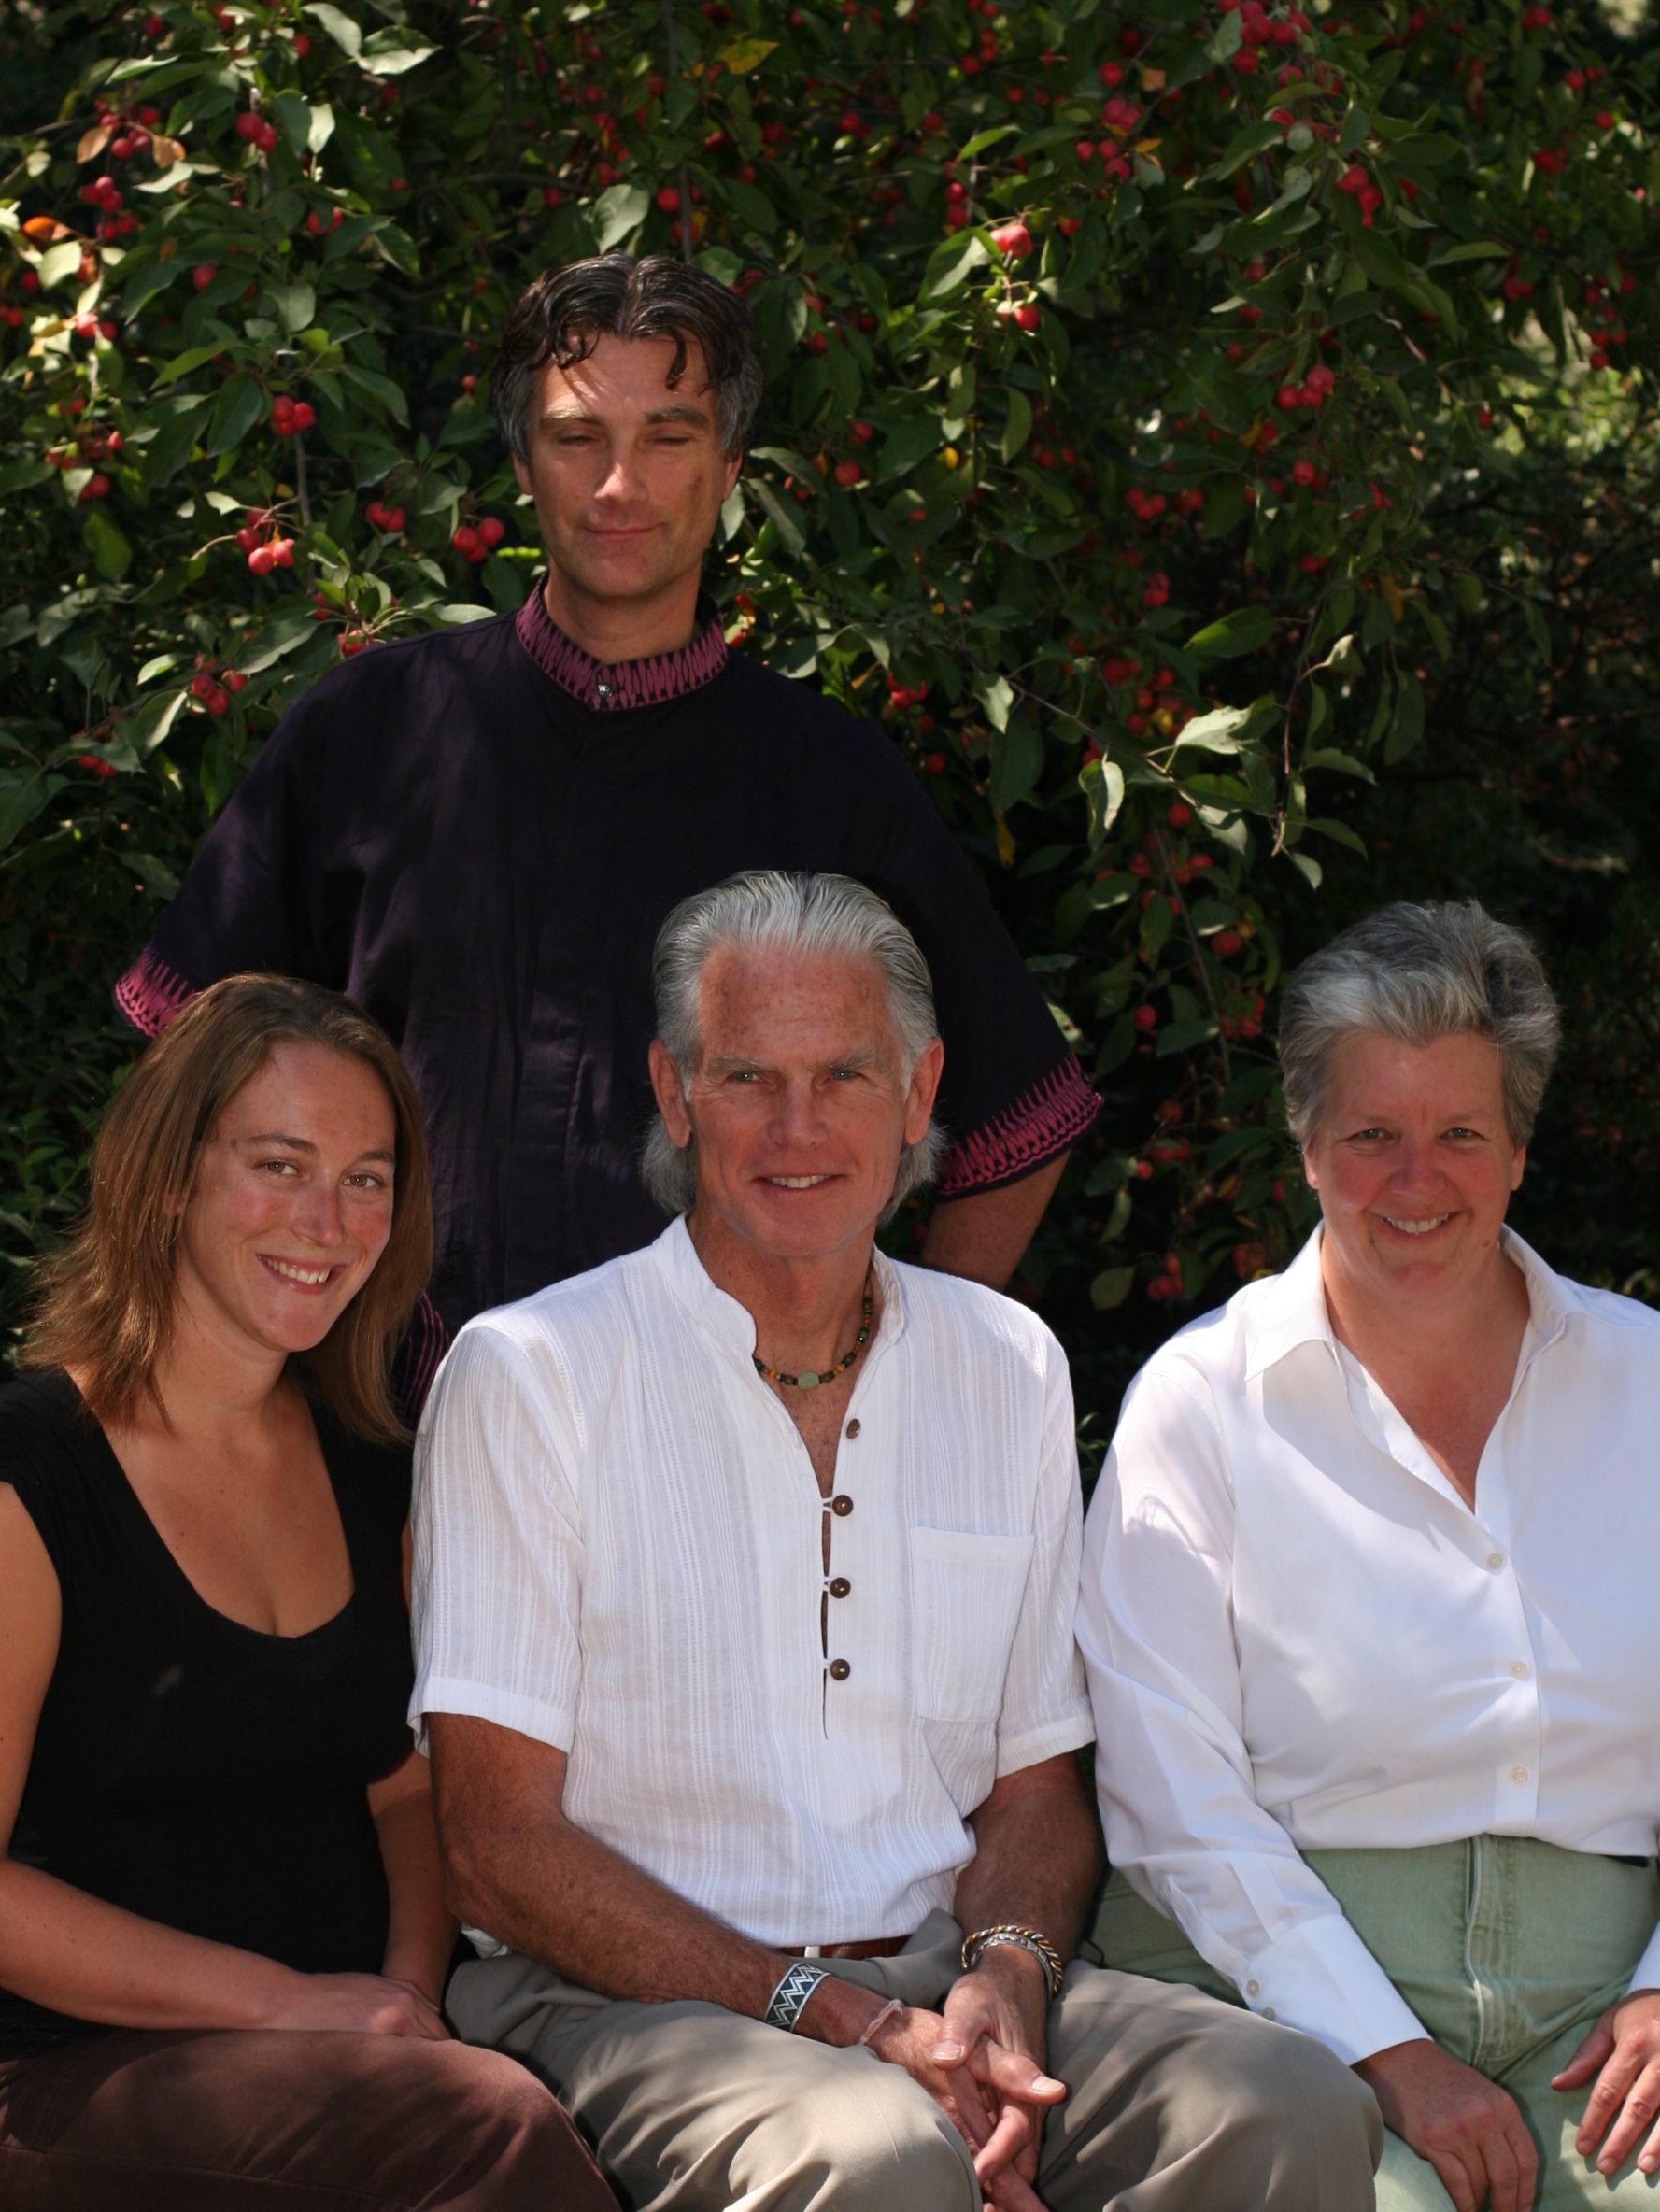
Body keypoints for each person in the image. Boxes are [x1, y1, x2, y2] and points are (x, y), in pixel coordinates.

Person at [409, 869, 1383, 2212]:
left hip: (938, 1986)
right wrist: (832, 2016)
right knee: (865, 2161)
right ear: (672, 1092)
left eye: (845, 1075)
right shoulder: (532, 1375)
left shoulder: (1005, 1365)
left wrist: (1004, 1979)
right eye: (749, 1077)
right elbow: (496, 1844)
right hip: (621, 2007)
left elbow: (1034, 1784)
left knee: (1289, 2121)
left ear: (922, 1094)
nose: (799, 1128)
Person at [0, 972, 817, 2212]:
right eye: (279, 1166)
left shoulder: (368, 1462)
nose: (328, 1221)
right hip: (57, 2109)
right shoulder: (22, 1478)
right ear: (169, 1177)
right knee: (489, 2125)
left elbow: (404, 1792)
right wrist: (298, 2012)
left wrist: (396, 1994)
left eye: (368, 1176)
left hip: (340, 2106)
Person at [114, 255, 1099, 1409]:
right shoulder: (374, 729)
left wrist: (872, 1382)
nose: (619, 483)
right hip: (372, 1433)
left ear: (730, 468)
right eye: (578, 437)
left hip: (704, 1442)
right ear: (521, 461)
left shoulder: (830, 782)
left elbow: (1022, 1117)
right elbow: (180, 1083)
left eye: (669, 438)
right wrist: (234, 1404)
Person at [1076, 901, 1660, 2212]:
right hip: (1281, 1989)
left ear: (1522, 1146)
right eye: (1370, 1134)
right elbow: (1174, 1799)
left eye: (1459, 1133)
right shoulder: (1201, 1406)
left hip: (1596, 2003)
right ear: (1303, 1139)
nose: (1417, 1181)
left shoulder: (1646, 1383)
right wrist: (1389, 2052)